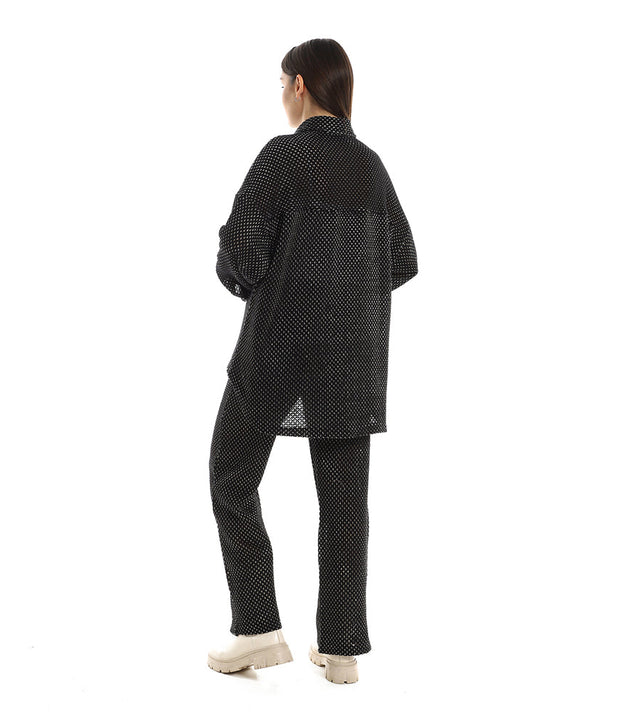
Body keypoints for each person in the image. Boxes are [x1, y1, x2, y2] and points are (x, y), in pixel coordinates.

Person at [206, 38, 418, 684]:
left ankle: (257, 627)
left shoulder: (283, 157)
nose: (281, 95)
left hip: (277, 350)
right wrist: (346, 289)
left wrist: (250, 272)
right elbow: (402, 259)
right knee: (345, 501)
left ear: (300, 85)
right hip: (351, 359)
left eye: (282, 84)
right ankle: (342, 647)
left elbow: (242, 257)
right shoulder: (372, 168)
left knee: (230, 476)